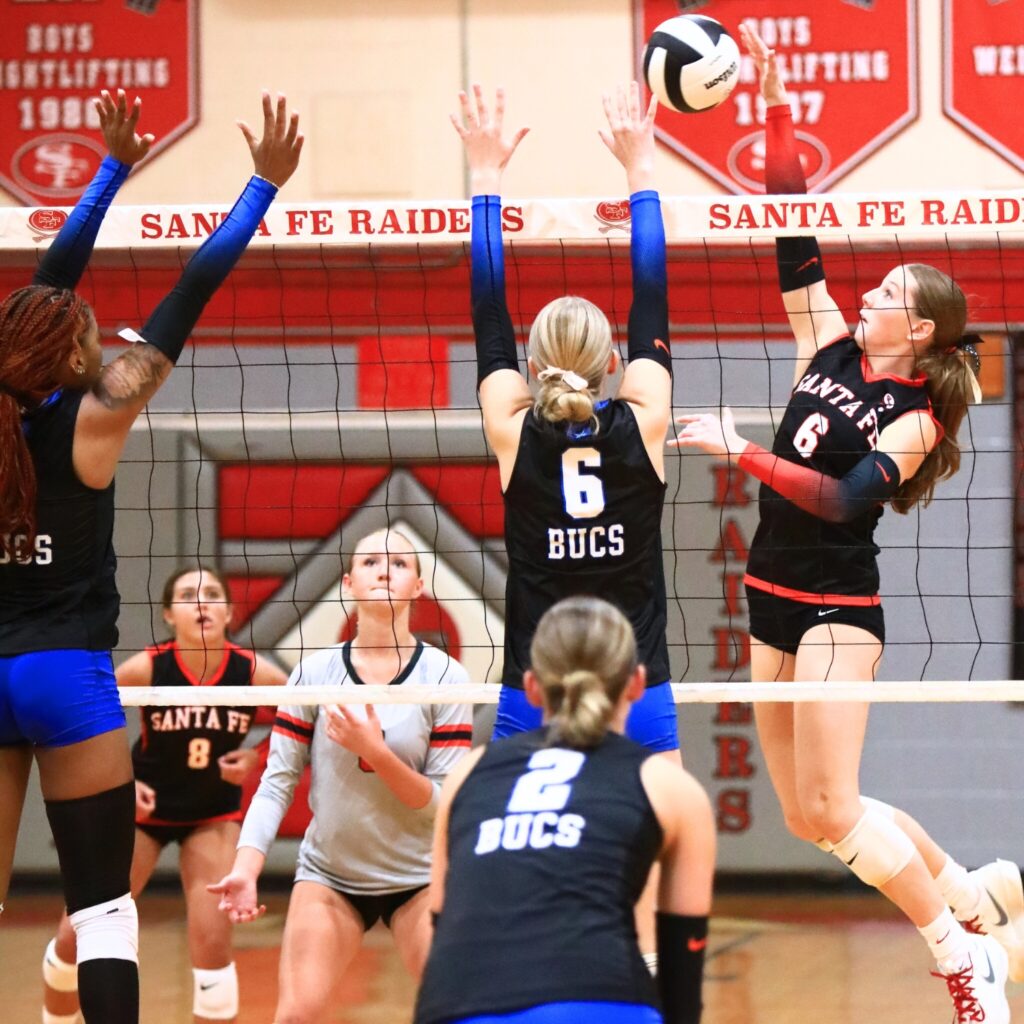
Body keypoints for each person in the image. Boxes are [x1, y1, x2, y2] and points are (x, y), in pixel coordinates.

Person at [672, 23, 1021, 1024]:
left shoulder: (916, 417)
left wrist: (734, 448)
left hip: (833, 609)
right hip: (767, 599)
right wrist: (774, 108)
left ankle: (960, 954)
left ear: (915, 332)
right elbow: (791, 222)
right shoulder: (821, 343)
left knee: (829, 807)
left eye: (884, 296)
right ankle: (970, 892)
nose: (859, 295)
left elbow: (833, 499)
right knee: (812, 816)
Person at [0, 87, 302, 1024]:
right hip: (67, 677)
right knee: (104, 912)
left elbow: (47, 291)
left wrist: (110, 172)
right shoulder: (100, 414)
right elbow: (187, 294)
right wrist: (261, 188)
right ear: (74, 355)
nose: (100, 329)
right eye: (87, 330)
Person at [450, 83, 678, 757]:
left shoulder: (513, 429)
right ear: (614, 360)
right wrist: (641, 170)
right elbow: (654, 300)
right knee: (660, 854)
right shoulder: (645, 419)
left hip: (535, 689)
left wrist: (485, 177)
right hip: (637, 691)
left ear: (530, 363)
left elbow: (486, 311)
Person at [209, 529, 474, 1024]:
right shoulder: (314, 674)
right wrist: (245, 869)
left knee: (458, 1012)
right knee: (295, 1016)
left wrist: (375, 752)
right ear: (350, 582)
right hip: (331, 876)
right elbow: (276, 781)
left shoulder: (444, 677)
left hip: (420, 877)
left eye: (399, 563)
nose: (384, 570)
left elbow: (444, 805)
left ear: (419, 586)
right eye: (372, 561)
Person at [415, 596, 715, 1024]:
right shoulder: (671, 788)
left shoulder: (469, 772)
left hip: (456, 1003)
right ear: (636, 683)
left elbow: (443, 923)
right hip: (601, 999)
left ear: (532, 687)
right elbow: (682, 976)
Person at [41, 566, 287, 1024]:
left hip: (212, 814)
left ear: (230, 612)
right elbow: (84, 718)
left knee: (214, 946)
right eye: (189, 595)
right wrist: (124, 783)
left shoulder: (250, 669)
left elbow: (303, 719)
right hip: (142, 813)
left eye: (213, 594)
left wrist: (258, 754)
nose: (202, 603)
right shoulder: (151, 666)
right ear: (169, 615)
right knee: (76, 934)